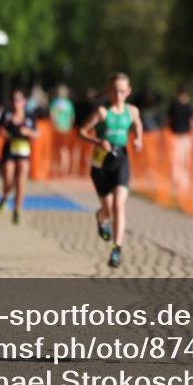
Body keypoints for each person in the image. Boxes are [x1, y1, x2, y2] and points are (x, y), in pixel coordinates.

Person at [79, 73, 143, 268]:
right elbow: (81, 132)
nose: (118, 94)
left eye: (122, 91)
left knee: (118, 205)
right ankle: (100, 218)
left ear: (128, 91)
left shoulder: (132, 111)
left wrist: (139, 139)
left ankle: (117, 249)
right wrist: (98, 141)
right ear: (107, 92)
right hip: (101, 163)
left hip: (121, 159)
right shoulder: (102, 112)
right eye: (114, 90)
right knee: (107, 210)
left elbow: (138, 124)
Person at [0, 90, 38, 225]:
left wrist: (28, 132)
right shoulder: (7, 114)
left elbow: (37, 134)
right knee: (8, 180)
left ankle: (17, 211)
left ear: (24, 102)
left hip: (24, 151)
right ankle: (5, 196)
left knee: (21, 183)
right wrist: (5, 134)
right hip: (9, 150)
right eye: (14, 99)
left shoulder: (30, 116)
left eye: (19, 100)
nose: (16, 102)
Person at [167, 85, 193, 195]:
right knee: (183, 161)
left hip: (176, 136)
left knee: (177, 161)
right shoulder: (189, 106)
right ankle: (182, 185)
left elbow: (168, 120)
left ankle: (178, 184)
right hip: (184, 137)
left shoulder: (174, 105)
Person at [49, 84, 75, 176]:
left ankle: (59, 169)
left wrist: (54, 125)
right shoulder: (69, 103)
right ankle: (65, 169)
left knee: (57, 150)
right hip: (67, 129)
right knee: (65, 149)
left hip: (57, 128)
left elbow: (52, 116)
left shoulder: (55, 103)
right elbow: (72, 117)